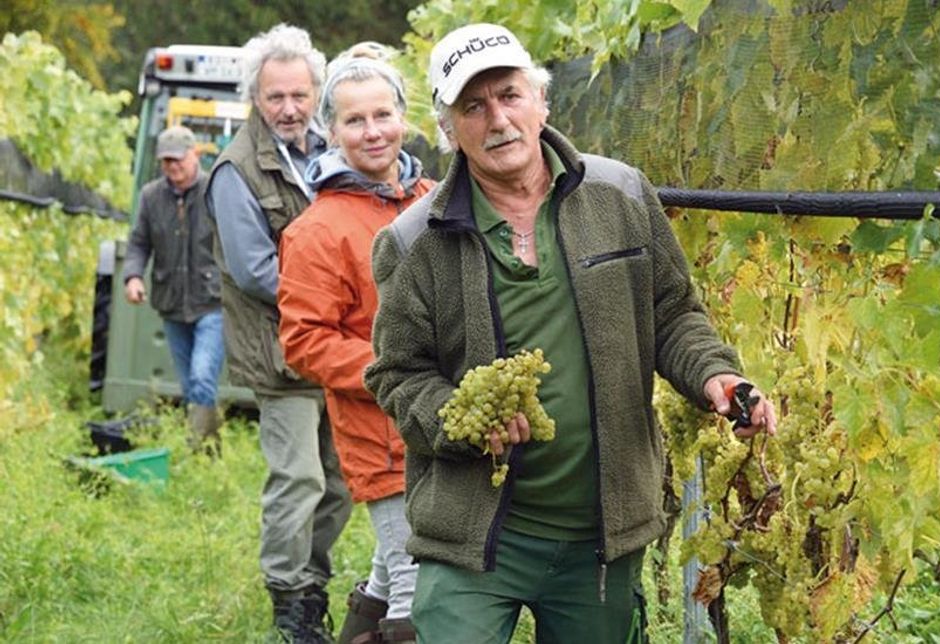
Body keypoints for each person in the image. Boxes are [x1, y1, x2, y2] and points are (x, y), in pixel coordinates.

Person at [363, 23, 778, 644]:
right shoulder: (412, 243)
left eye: (509, 94)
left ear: (541, 101)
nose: (497, 118)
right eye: (472, 107)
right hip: (474, 534)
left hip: (598, 536)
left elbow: (672, 313)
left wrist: (716, 376)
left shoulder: (621, 194)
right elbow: (397, 375)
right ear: (448, 130)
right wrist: (462, 418)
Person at [277, 45, 434, 644]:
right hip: (383, 435)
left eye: (382, 114)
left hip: (442, 423)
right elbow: (304, 341)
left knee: (386, 575)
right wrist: (396, 370)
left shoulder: (436, 199)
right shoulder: (317, 230)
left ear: (403, 115)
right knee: (418, 589)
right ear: (331, 131)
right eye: (354, 120)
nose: (373, 132)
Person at [205, 23, 352, 643]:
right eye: (275, 98)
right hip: (283, 351)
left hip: (337, 350)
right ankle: (288, 600)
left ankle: (312, 585)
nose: (289, 109)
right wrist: (337, 301)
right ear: (255, 100)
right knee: (299, 479)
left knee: (342, 481)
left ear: (315, 92)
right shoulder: (234, 170)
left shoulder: (332, 150)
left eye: (299, 95)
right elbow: (254, 270)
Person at [121, 125, 224, 451]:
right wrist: (133, 276)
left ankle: (197, 453)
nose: (172, 168)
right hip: (172, 303)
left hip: (212, 302)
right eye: (166, 162)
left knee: (202, 377)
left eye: (178, 160)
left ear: (194, 155)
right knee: (188, 383)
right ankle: (210, 450)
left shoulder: (216, 191)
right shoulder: (152, 196)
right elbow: (139, 243)